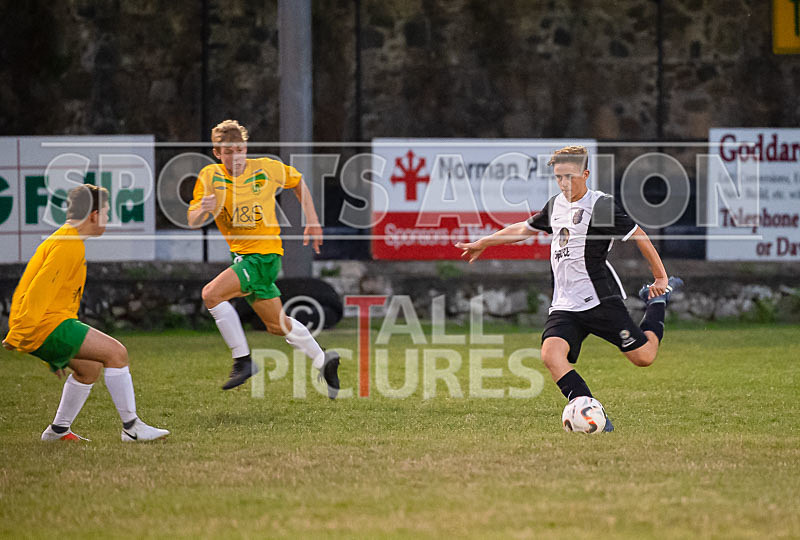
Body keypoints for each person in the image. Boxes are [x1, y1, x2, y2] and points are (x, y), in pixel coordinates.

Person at [456, 145, 682, 431]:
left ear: (585, 174)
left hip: (600, 301)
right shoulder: (555, 206)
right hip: (564, 305)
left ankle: (658, 301)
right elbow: (524, 229)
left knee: (644, 357)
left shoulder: (600, 205)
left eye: (569, 177)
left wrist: (660, 278)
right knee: (550, 355)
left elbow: (638, 235)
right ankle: (590, 412)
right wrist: (485, 242)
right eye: (558, 177)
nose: (564, 183)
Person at [2, 185, 170, 442]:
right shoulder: (68, 244)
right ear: (93, 215)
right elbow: (38, 292)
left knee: (89, 368)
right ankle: (132, 428)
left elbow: (30, 288)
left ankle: (58, 431)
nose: (107, 218)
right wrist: (20, 335)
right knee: (117, 353)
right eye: (105, 211)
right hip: (47, 325)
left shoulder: (67, 239)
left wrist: (42, 347)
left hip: (46, 325)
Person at [187, 119, 339, 397]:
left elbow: (297, 181)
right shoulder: (210, 176)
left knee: (211, 295)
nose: (236, 157)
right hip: (243, 257)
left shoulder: (266, 168)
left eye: (240, 150)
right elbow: (193, 218)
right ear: (217, 154)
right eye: (228, 152)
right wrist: (203, 209)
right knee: (276, 325)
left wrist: (313, 219)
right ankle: (323, 360)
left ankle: (242, 361)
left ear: (246, 148)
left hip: (264, 256)